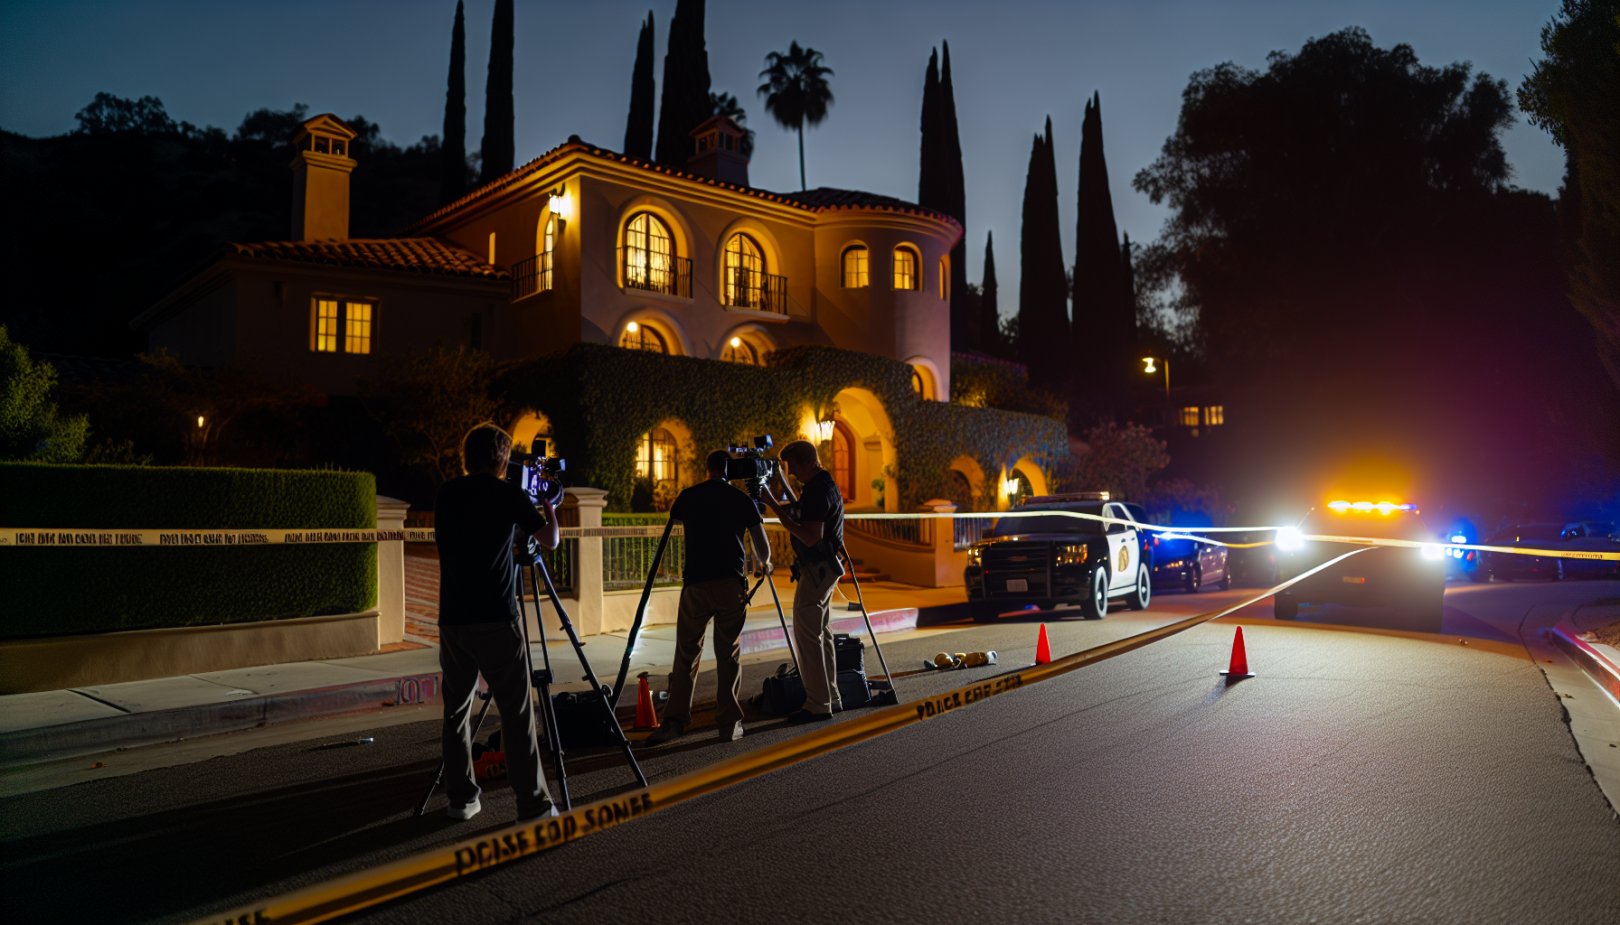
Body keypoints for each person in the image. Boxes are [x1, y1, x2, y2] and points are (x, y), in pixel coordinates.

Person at [434, 422, 559, 821]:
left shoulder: (446, 494)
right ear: (503, 458)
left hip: (453, 617)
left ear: (467, 457)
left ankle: (461, 798)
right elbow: (550, 539)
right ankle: (532, 803)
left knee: (455, 711)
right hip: (496, 616)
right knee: (515, 711)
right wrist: (549, 506)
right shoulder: (508, 495)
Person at [646, 450, 773, 744]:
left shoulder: (689, 496)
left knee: (686, 654)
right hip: (730, 585)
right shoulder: (741, 500)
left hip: (696, 585)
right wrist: (765, 564)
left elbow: (674, 515)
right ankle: (729, 724)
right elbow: (762, 548)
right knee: (728, 654)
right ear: (730, 470)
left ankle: (675, 722)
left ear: (708, 468)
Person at [761, 439, 846, 723]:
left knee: (808, 635)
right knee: (822, 633)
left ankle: (818, 704)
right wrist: (782, 487)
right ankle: (831, 696)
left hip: (818, 568)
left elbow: (810, 535)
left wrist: (772, 504)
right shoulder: (825, 484)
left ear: (806, 462)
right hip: (827, 568)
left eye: (794, 467)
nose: (793, 472)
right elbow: (803, 509)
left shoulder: (817, 491)